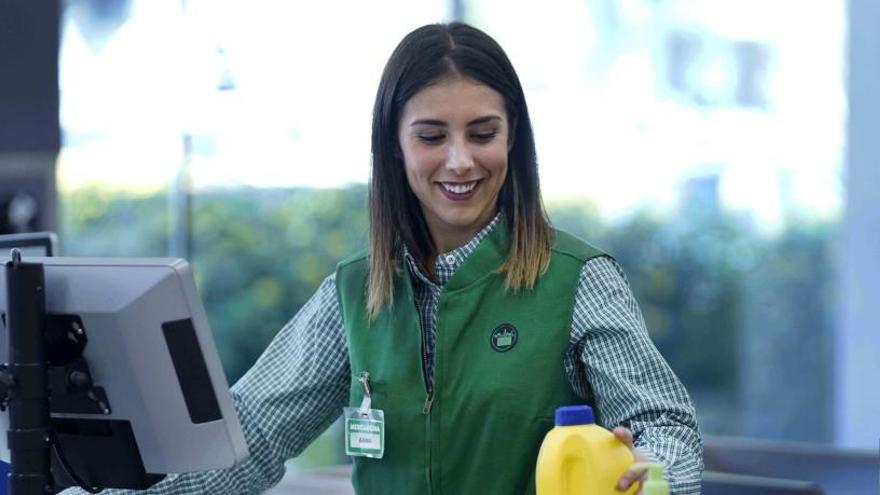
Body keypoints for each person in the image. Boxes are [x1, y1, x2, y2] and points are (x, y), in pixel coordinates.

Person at [69, 21, 702, 495]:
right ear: (393, 146)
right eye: (432, 136)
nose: (460, 161)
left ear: (514, 140)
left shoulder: (578, 281)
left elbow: (666, 428)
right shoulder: (353, 293)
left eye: (483, 134)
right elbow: (253, 437)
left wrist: (652, 473)